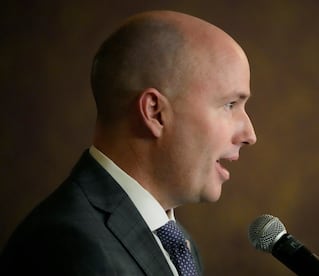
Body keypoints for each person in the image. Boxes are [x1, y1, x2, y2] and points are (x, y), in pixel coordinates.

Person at [0, 10, 256, 275]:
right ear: (155, 113)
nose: (250, 134)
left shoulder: (178, 243)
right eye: (230, 105)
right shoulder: (67, 247)